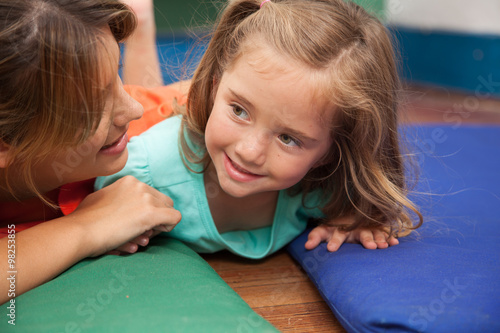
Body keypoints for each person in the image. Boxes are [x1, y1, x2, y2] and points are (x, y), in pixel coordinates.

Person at [96, 0, 423, 260]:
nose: (248, 152)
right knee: (143, 102)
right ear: (214, 88)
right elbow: (91, 218)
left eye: (288, 138)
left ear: (330, 153)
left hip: (219, 102)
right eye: (239, 110)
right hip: (164, 113)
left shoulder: (323, 187)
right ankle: (140, 23)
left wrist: (354, 221)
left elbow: (363, 203)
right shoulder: (143, 171)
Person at [0, 0, 182, 303]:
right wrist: (88, 226)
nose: (132, 109)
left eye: (117, 74)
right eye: (94, 107)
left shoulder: (126, 136)